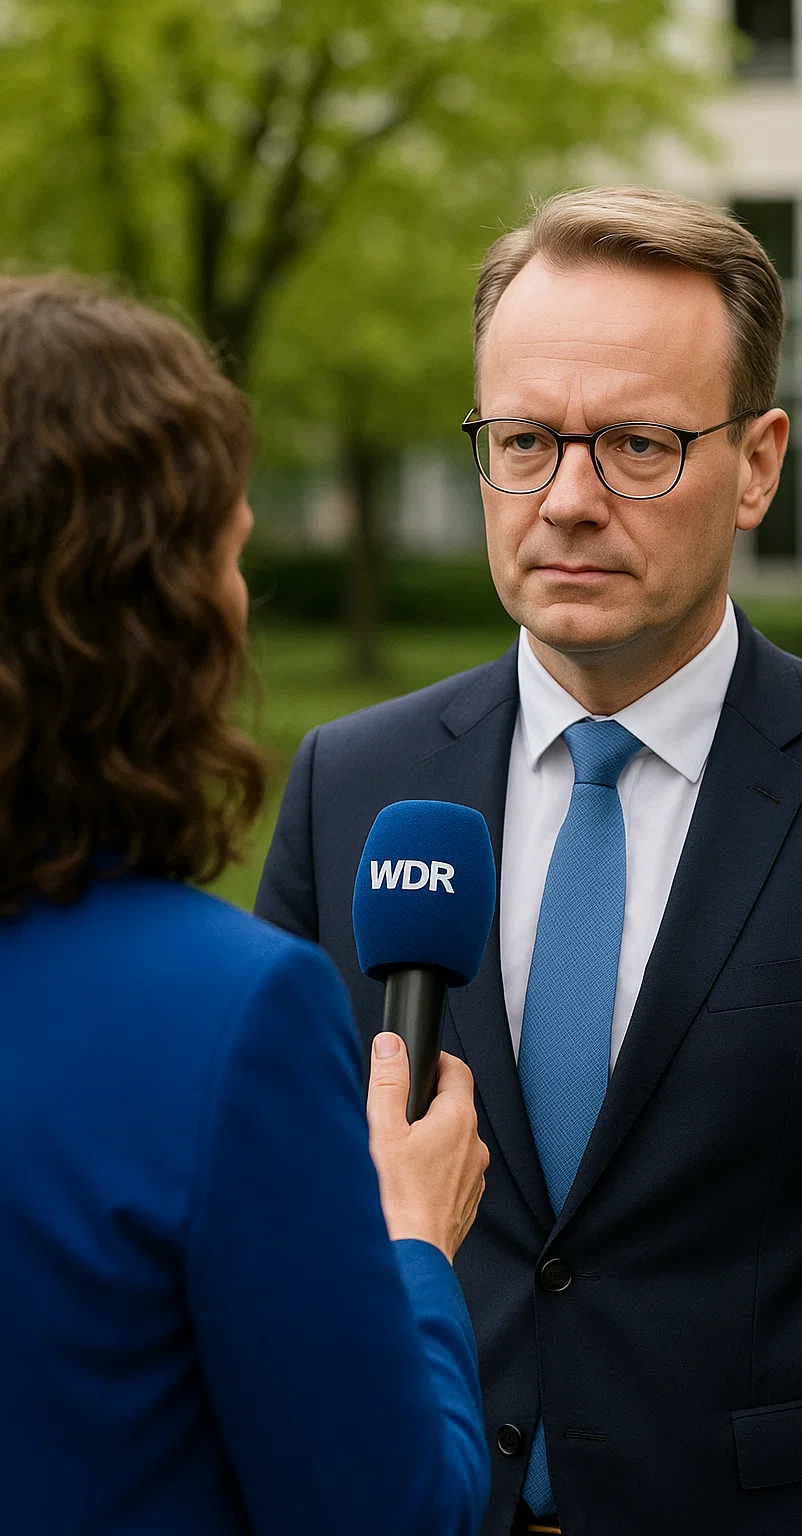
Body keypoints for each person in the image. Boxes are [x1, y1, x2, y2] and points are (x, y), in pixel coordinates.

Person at [256, 187, 802, 1535]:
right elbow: (269, 1233)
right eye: (524, 441)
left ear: (758, 465)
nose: (567, 501)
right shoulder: (351, 789)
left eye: (636, 445)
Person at [0, 275, 490, 1536]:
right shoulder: (226, 1017)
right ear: (152, 613)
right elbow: (390, 1513)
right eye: (229, 551)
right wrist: (413, 1243)